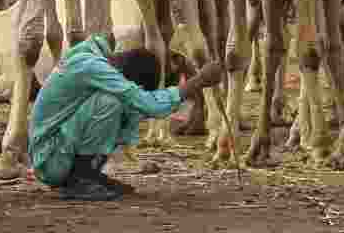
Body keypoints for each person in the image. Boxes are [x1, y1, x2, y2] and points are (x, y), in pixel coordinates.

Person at [28, 34, 224, 201]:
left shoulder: (91, 60)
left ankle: (86, 175)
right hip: (50, 160)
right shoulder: (92, 66)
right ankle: (80, 178)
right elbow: (147, 104)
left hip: (54, 153)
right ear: (125, 77)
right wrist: (199, 81)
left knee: (119, 102)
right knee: (111, 102)